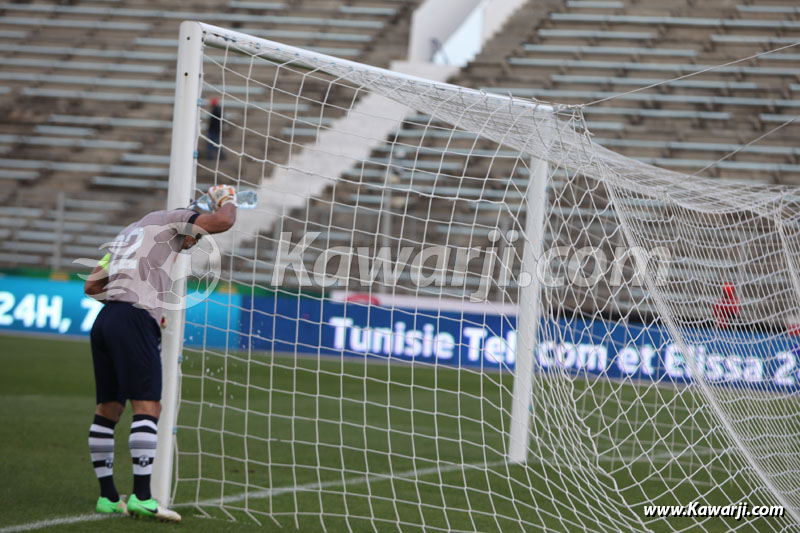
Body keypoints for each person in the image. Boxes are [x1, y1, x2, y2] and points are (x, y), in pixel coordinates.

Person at [82, 185, 238, 520]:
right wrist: (227, 198)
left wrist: (127, 301)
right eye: (194, 238)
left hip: (106, 319)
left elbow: (91, 286)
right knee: (149, 405)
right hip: (133, 319)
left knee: (108, 408)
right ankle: (142, 496)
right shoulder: (176, 220)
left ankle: (109, 497)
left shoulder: (128, 233)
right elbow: (224, 221)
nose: (192, 244)